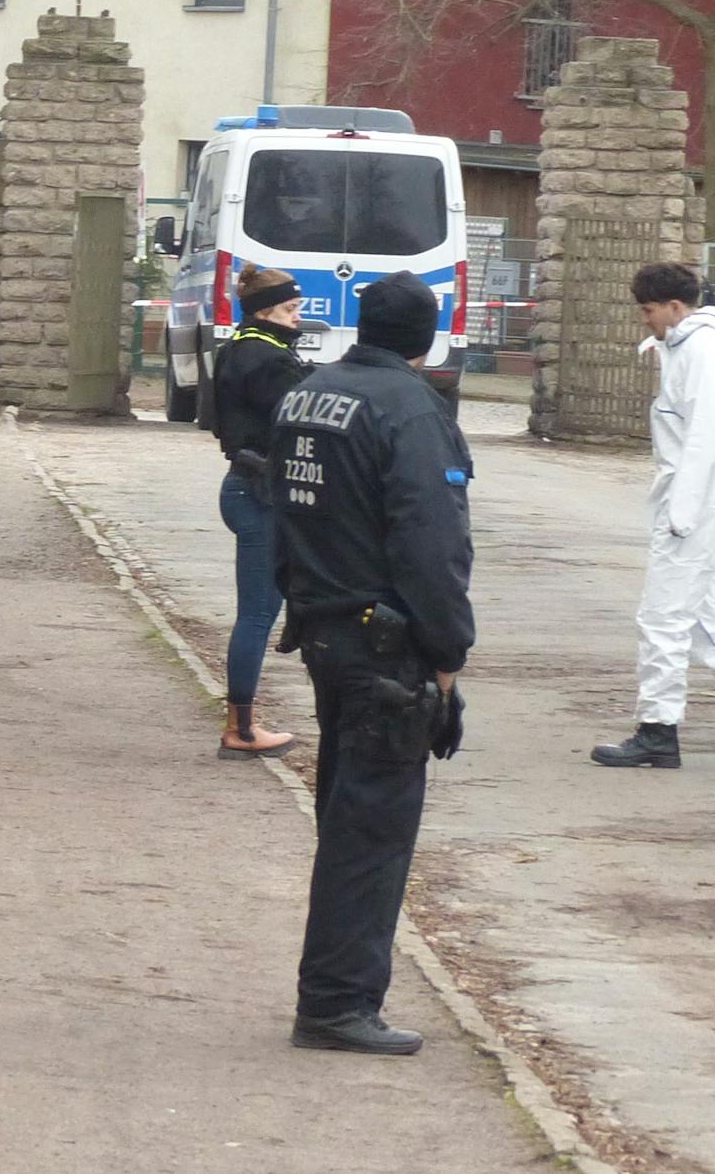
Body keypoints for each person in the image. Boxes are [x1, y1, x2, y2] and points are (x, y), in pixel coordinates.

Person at [271, 271, 474, 1056]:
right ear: (426, 338)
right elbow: (432, 544)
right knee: (372, 829)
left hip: (327, 627)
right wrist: (448, 654)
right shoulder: (412, 410)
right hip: (386, 646)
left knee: (348, 812)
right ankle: (336, 1003)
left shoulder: (311, 391)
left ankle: (335, 994)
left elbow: (285, 511)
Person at [593, 262, 715, 768]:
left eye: (647, 310)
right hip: (692, 502)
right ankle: (658, 727)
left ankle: (658, 730)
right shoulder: (684, 347)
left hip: (693, 504)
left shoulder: (701, 352)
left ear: (673, 307)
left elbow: (704, 438)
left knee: (663, 617)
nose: (645, 320)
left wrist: (681, 514)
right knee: (702, 619)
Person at [210, 263, 309, 759]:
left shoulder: (237, 348)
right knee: (255, 615)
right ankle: (241, 728)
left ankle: (243, 721)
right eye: (292, 309)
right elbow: (297, 421)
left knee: (263, 611)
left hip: (245, 487)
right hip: (260, 494)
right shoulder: (268, 359)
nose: (297, 318)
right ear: (267, 310)